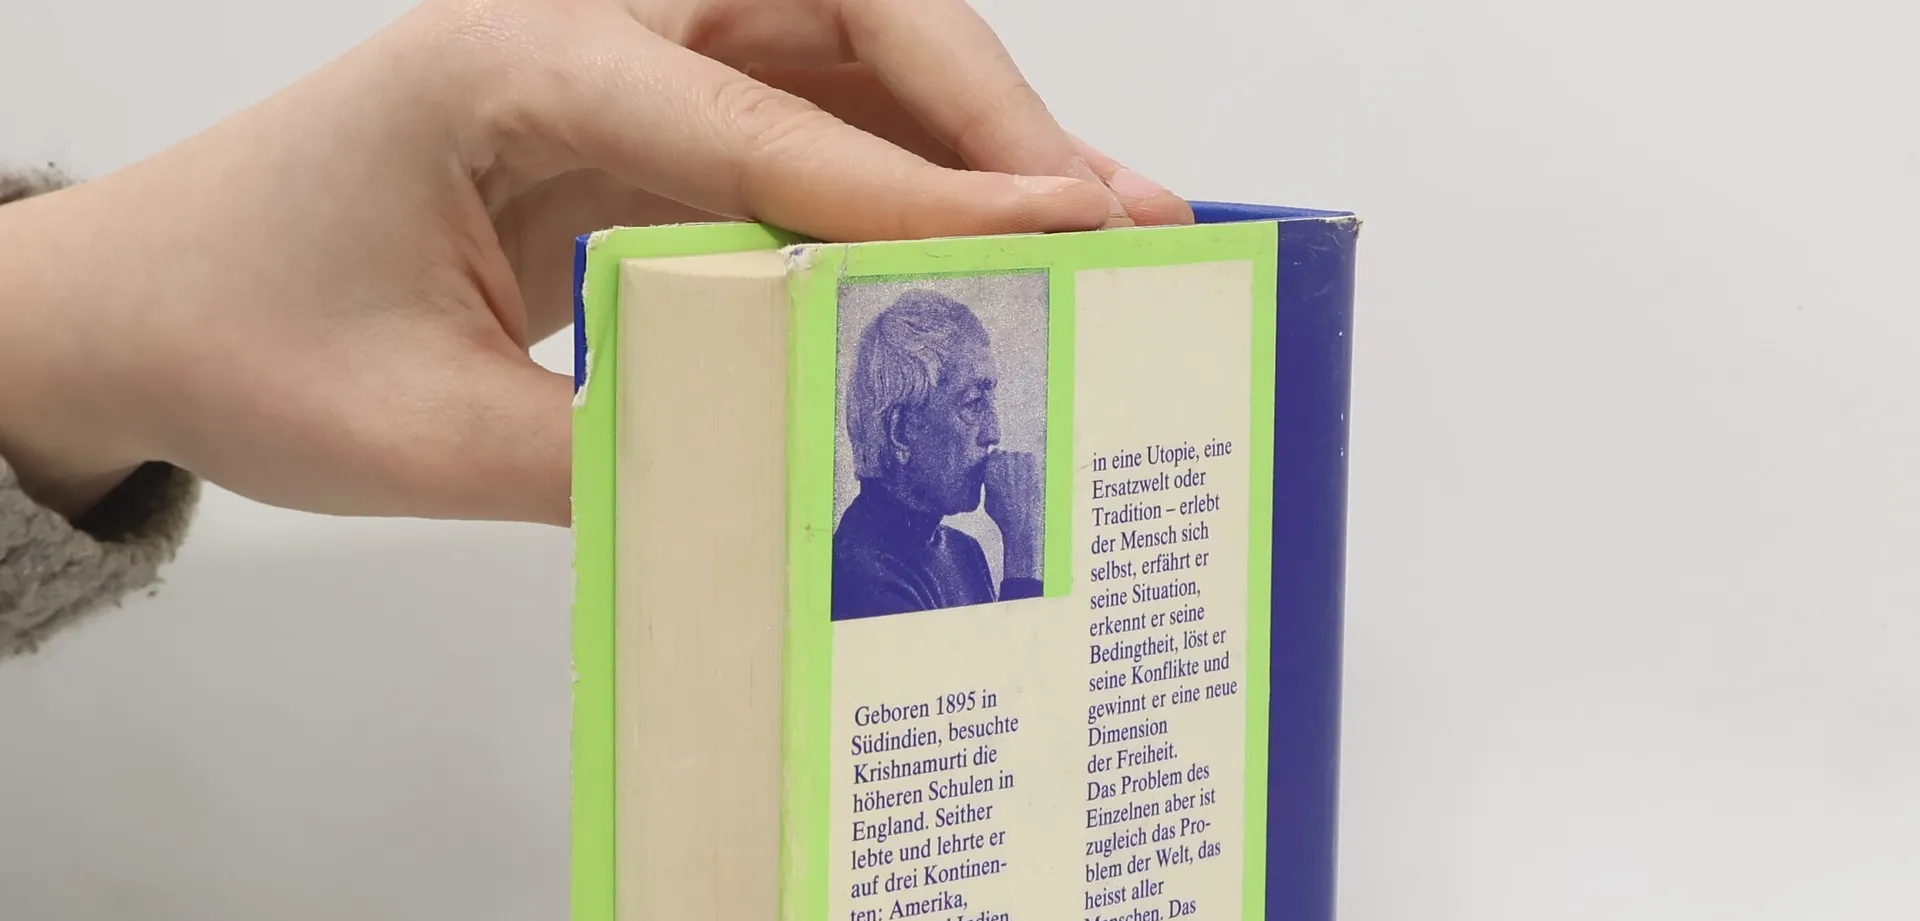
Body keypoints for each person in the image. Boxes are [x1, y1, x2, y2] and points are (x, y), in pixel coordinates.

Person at [0, 0, 1188, 660]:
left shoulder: (961, 554)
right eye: (970, 397)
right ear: (894, 422)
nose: (993, 422)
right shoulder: (876, 562)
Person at [832, 288, 1041, 621]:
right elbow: (1014, 657)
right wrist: (1023, 548)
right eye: (973, 403)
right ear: (901, 432)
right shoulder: (864, 575)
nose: (993, 432)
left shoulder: (964, 552)